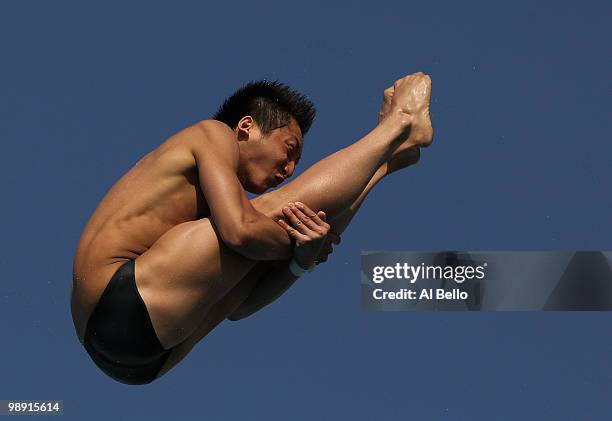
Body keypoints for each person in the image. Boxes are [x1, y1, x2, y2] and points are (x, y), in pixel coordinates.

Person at [71, 72, 433, 385]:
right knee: (271, 217)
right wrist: (299, 248)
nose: (288, 168)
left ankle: (385, 164)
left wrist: (300, 260)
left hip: (142, 353)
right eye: (288, 150)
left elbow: (243, 306)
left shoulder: (208, 211)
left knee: (283, 236)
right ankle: (397, 126)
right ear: (246, 128)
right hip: (117, 301)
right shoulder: (212, 135)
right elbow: (240, 231)